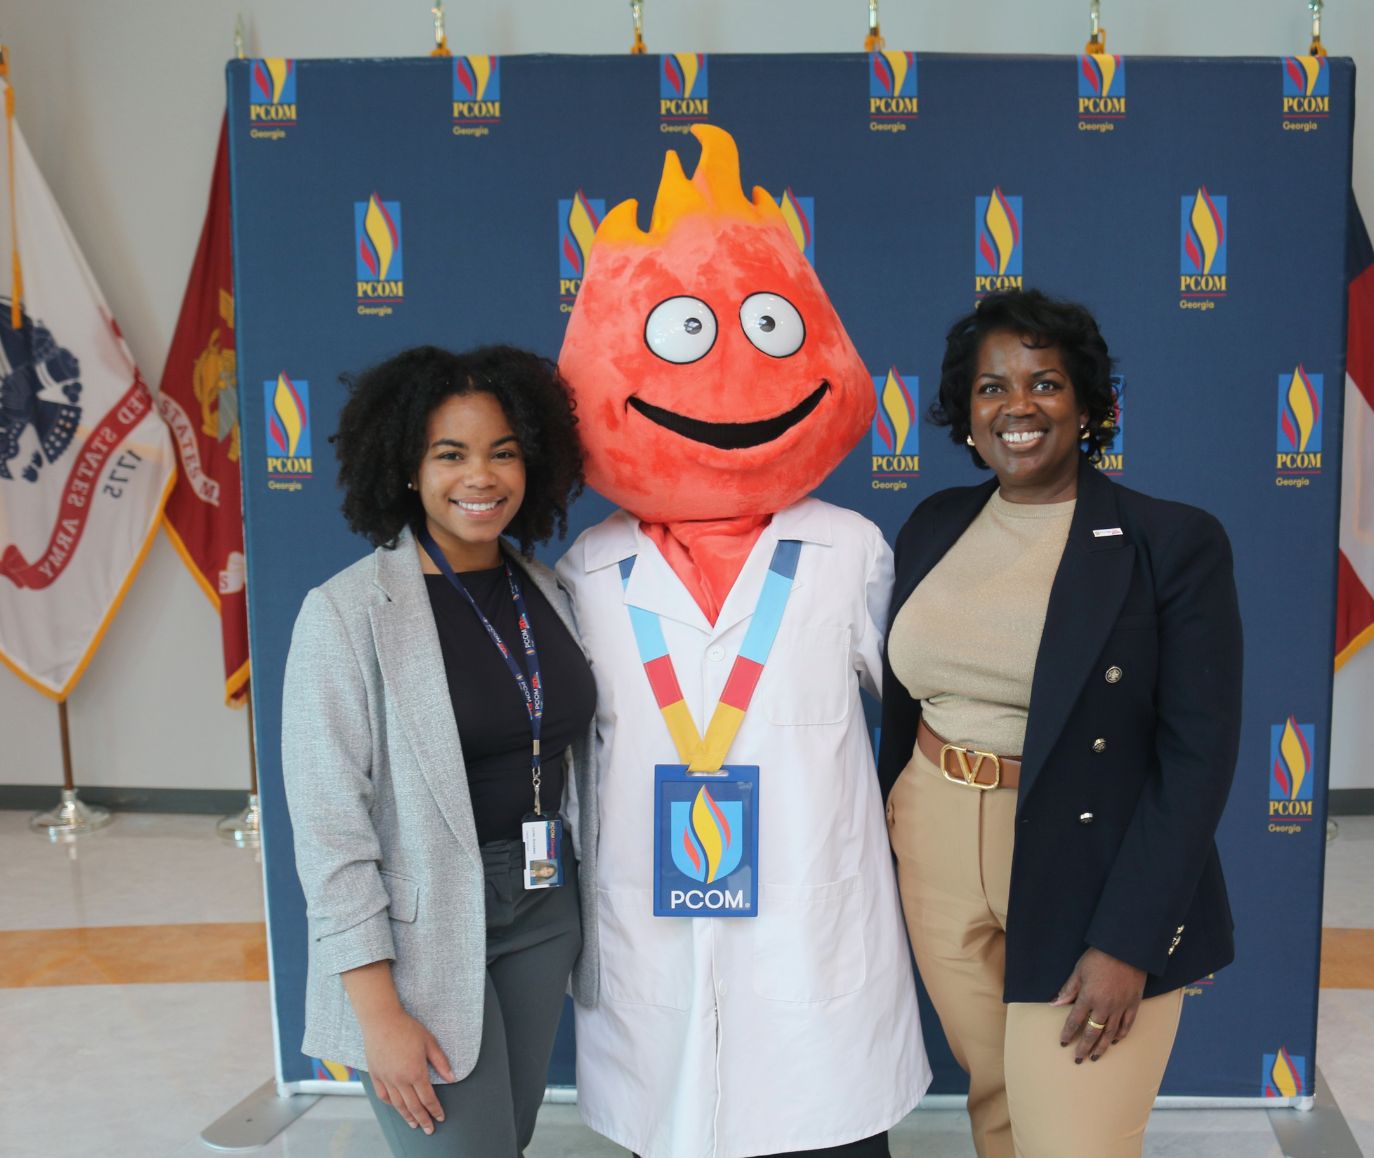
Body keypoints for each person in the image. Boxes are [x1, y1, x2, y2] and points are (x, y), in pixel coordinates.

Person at [556, 125, 928, 1158]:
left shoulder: (849, 548)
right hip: (652, 914)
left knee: (826, 1120)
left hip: (816, 911)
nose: (722, 373)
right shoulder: (592, 567)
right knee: (673, 1115)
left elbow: (920, 711)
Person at [879, 289, 1242, 1158]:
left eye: (1045, 383)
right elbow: (900, 704)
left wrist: (1129, 940)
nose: (1018, 406)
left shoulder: (1171, 541)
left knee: (1072, 1140)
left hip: (1090, 864)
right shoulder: (935, 523)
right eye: (991, 387)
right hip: (934, 842)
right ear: (965, 413)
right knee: (999, 1109)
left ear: (1087, 405)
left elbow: (1197, 759)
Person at [280, 344, 597, 1157]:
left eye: (503, 452)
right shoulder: (346, 613)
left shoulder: (553, 590)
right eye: (449, 455)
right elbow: (328, 830)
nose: (480, 477)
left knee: (507, 1139)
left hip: (541, 905)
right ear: (407, 470)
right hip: (417, 930)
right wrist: (376, 1012)